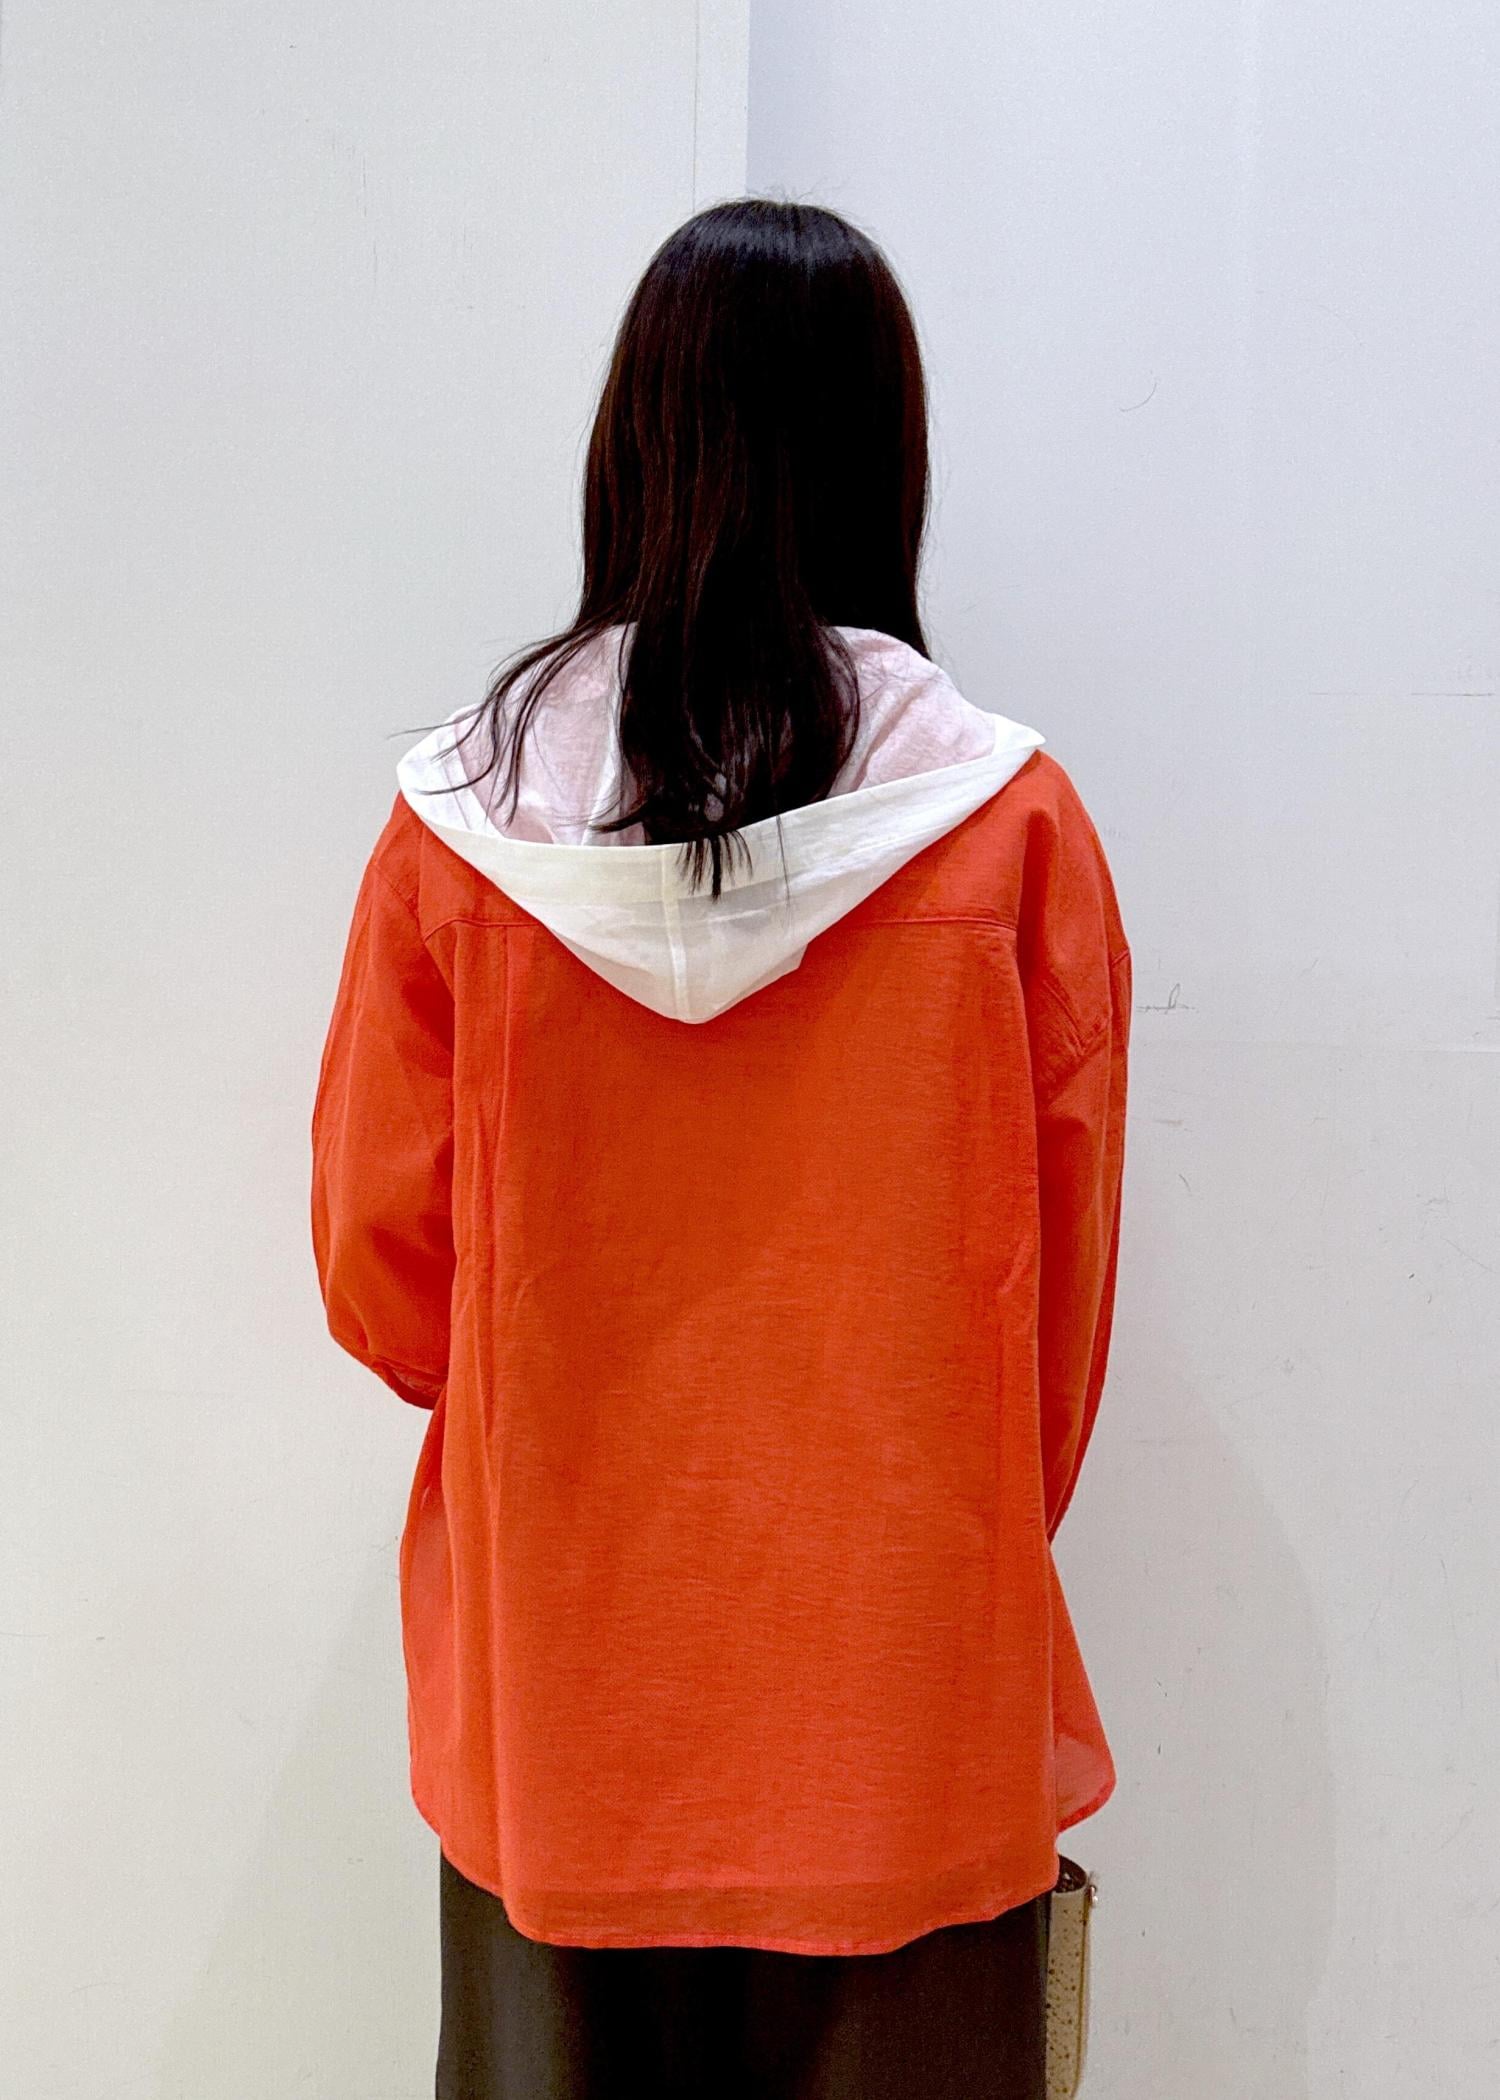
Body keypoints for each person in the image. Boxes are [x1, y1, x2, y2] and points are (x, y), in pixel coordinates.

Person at [311, 197, 1131, 2100]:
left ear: (635, 443)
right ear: (884, 459)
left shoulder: (458, 836)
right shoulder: (1009, 829)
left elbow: (383, 1286)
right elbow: (1055, 1342)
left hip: (563, 1698)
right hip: (899, 1704)